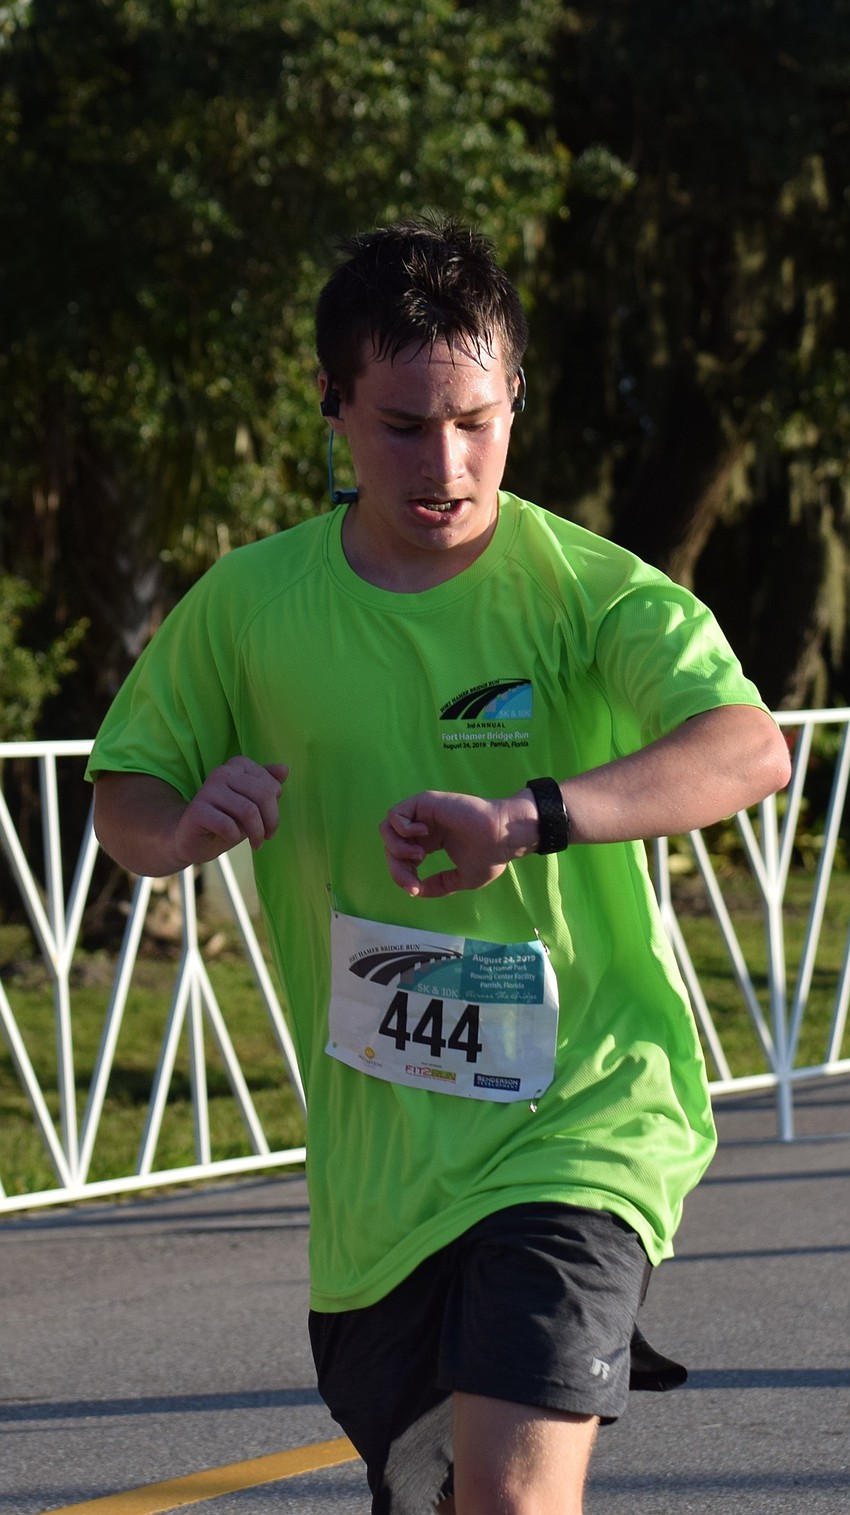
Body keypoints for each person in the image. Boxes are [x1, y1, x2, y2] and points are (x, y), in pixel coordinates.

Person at [88, 217, 791, 1515]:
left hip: (582, 1120)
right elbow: (125, 794)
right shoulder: (248, 608)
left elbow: (745, 749)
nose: (447, 464)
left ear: (515, 396)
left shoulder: (584, 592)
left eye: (476, 418)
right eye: (403, 426)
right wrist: (178, 832)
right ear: (330, 410)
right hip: (378, 1187)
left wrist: (529, 815)